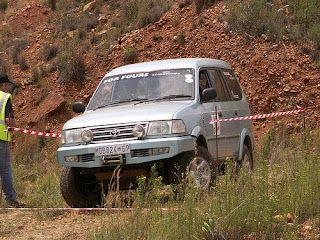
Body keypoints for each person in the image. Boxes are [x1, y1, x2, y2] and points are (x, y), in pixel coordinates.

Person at [0, 73, 23, 207]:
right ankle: (11, 200)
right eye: (7, 84)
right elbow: (9, 120)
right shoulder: (5, 97)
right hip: (1, 138)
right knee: (5, 169)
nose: (9, 87)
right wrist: (16, 128)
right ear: (3, 85)